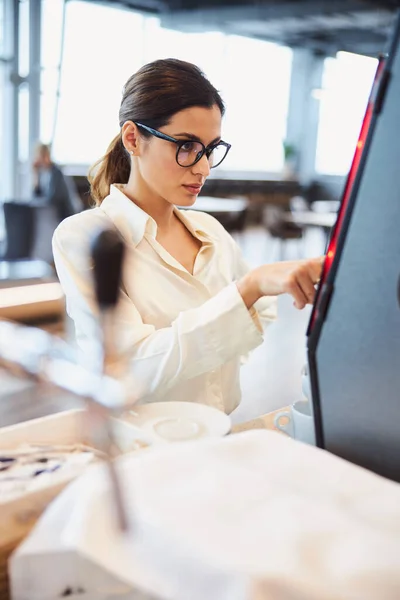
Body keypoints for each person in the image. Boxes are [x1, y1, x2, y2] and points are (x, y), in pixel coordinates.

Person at [52, 58, 323, 413]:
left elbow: (262, 311)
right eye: (186, 146)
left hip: (215, 433)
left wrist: (213, 362)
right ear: (133, 138)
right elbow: (132, 370)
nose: (204, 167)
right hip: (140, 447)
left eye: (210, 149)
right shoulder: (84, 236)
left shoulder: (209, 230)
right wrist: (247, 289)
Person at [33, 143, 80, 222]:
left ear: (46, 156)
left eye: (41, 157)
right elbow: (36, 196)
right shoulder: (44, 173)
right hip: (56, 214)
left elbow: (52, 199)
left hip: (66, 214)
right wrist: (35, 175)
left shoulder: (56, 173)